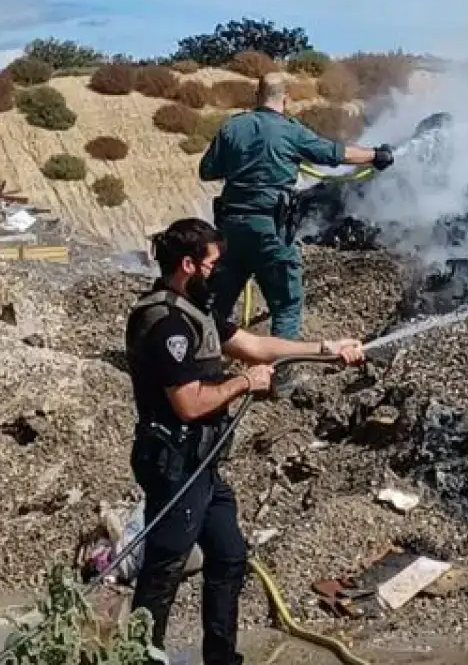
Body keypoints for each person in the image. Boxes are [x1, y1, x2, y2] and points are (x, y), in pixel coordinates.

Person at [124, 217, 367, 665]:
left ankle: (222, 658)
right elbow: (190, 405)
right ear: (188, 264)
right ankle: (139, 657)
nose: (219, 269)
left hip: (203, 463)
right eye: (212, 262)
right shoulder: (166, 324)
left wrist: (325, 349)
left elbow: (255, 346)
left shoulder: (197, 310)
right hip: (176, 461)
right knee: (165, 567)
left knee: (230, 555)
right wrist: (243, 384)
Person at [198, 72, 393, 347]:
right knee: (286, 306)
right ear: (285, 99)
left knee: (216, 303)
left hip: (231, 230)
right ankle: (282, 378)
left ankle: (203, 364)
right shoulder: (290, 131)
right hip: (272, 232)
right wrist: (376, 155)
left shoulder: (233, 127)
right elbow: (334, 154)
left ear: (257, 97)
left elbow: (207, 171)